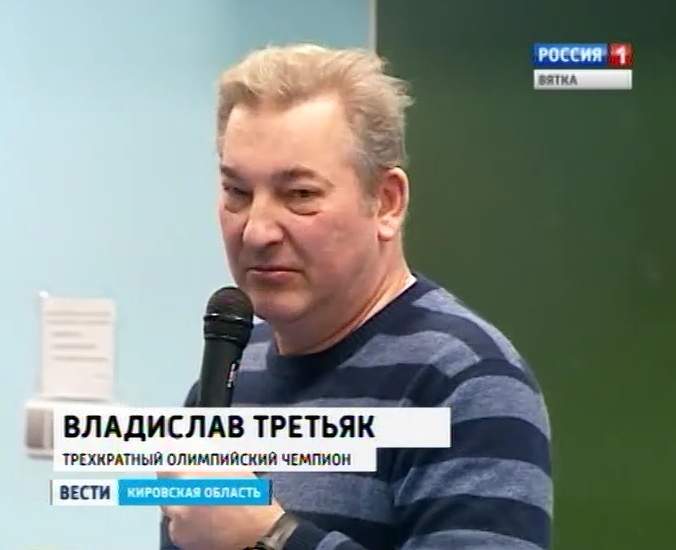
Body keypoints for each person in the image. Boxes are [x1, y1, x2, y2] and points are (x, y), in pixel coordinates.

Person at [161, 43, 552, 550]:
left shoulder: (466, 381)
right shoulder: (222, 386)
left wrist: (270, 538)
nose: (256, 230)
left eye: (299, 195)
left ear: (386, 203)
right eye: (237, 192)